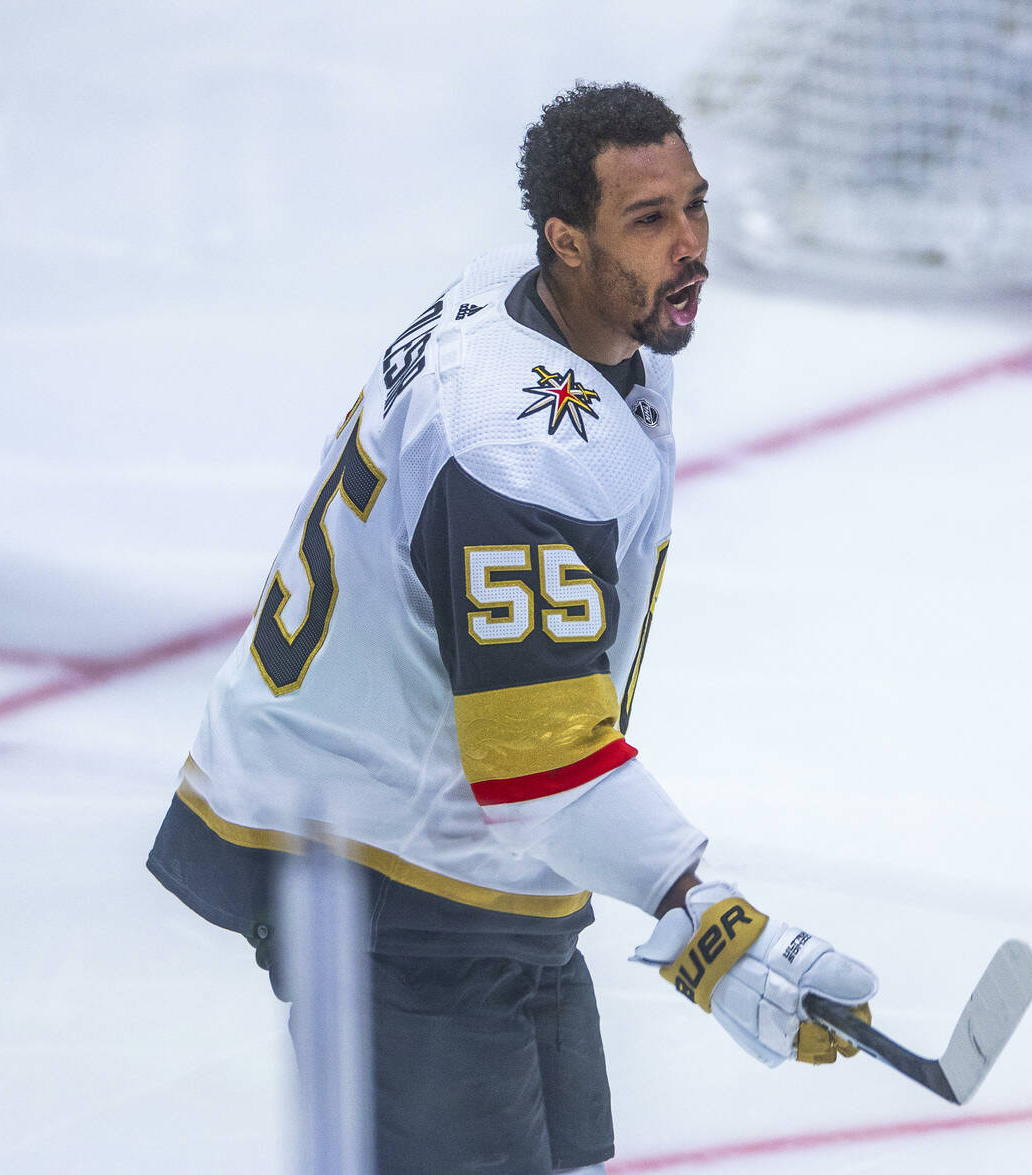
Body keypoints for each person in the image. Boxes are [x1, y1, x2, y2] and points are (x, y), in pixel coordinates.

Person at [147, 81, 878, 1175]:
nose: (691, 245)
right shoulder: (517, 447)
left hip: (461, 851)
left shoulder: (537, 309)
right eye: (650, 219)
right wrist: (710, 915)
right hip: (382, 875)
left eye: (695, 205)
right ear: (566, 242)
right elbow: (538, 766)